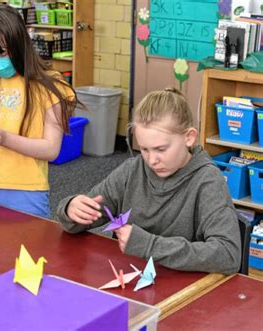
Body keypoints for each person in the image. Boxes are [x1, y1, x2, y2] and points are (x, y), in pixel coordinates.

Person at [56, 88, 241, 274]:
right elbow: (80, 219)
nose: (152, 160)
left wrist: (148, 245)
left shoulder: (207, 181)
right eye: (144, 149)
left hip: (182, 290)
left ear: (189, 138)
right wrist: (70, 209)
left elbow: (228, 255)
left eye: (161, 149)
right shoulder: (132, 170)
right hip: (130, 281)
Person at [0, 4, 78, 218]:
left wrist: (5, 138)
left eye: (2, 53)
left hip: (28, 189)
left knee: (31, 249)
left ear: (19, 44)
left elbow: (51, 150)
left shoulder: (50, 85)